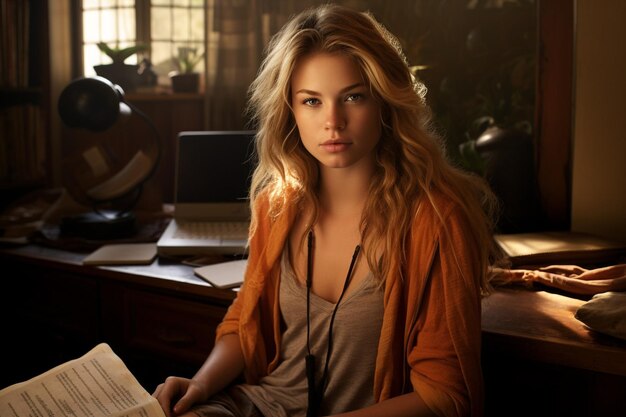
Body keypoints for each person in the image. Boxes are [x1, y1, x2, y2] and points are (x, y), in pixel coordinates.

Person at [153, 4, 499, 417]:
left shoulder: (436, 219)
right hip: (256, 405)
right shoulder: (277, 206)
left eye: (353, 96)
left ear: (385, 101)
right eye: (312, 101)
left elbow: (448, 396)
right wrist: (200, 383)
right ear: (291, 110)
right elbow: (243, 322)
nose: (333, 122)